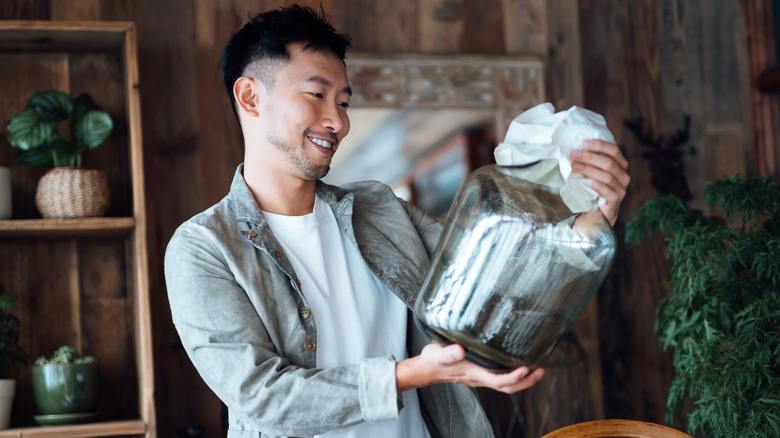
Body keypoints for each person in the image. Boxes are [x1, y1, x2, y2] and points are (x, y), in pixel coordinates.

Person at [164, 5, 630, 438]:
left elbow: (494, 279)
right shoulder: (204, 247)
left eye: (343, 102)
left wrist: (597, 215)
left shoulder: (380, 208)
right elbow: (262, 397)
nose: (338, 122)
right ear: (249, 96)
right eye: (316, 95)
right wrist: (416, 373)